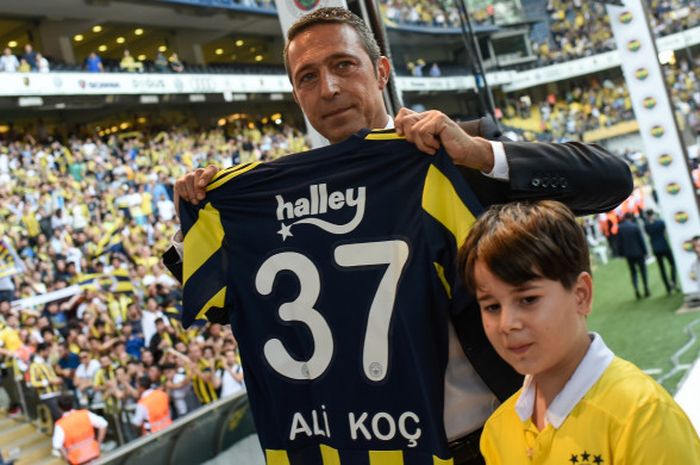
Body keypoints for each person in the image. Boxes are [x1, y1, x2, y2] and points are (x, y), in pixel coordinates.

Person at [167, 7, 632, 465]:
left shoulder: (451, 152)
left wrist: (478, 155)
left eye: (343, 65)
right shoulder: (276, 196)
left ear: (382, 70)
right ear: (296, 94)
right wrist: (196, 220)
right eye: (307, 77)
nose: (328, 88)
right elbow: (236, 305)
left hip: (500, 441)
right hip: (380, 452)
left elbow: (611, 180)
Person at [458, 200, 700, 464]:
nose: (507, 323)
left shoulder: (643, 416)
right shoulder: (498, 429)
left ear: (581, 294)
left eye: (528, 299)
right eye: (492, 306)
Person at [53, 394, 107, 465]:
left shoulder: (60, 424)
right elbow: (103, 424)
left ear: (59, 408)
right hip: (94, 454)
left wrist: (67, 458)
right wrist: (98, 443)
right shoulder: (85, 414)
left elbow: (57, 445)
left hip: (77, 460)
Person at [643, 209, 678, 294]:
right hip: (664, 246)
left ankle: (668, 288)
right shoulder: (660, 222)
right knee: (672, 264)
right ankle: (673, 281)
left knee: (662, 269)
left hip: (656, 248)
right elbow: (665, 231)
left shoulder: (646, 225)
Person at [617, 212, 650, 299]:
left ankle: (636, 288)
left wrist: (621, 253)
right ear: (631, 218)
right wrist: (645, 252)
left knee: (633, 272)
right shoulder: (634, 226)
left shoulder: (620, 228)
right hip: (639, 253)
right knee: (643, 271)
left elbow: (619, 243)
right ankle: (646, 287)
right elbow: (641, 240)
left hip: (629, 254)